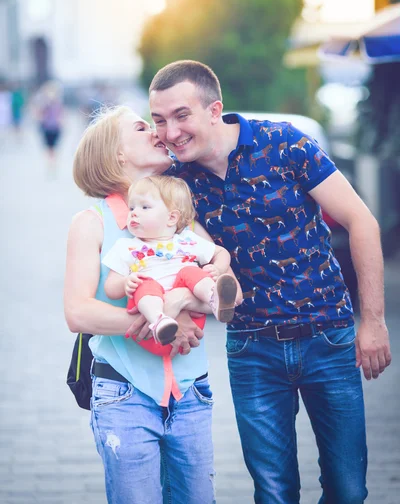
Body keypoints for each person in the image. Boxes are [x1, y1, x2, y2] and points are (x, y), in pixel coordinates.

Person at [148, 59, 392, 504]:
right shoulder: (175, 184)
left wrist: (373, 320)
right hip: (252, 348)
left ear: (213, 109)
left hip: (329, 338)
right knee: (275, 493)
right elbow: (153, 245)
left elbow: (361, 221)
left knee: (348, 490)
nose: (170, 131)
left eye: (181, 115)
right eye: (159, 120)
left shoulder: (283, 143)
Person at [64, 105, 241, 504]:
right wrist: (152, 320)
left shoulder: (180, 221)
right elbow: (78, 313)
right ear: (117, 154)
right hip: (123, 393)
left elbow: (229, 287)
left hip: (191, 393)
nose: (159, 132)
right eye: (143, 127)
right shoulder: (91, 222)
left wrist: (177, 300)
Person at [103, 175, 237, 345]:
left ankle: (214, 297)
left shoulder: (187, 240)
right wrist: (125, 282)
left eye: (145, 207)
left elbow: (221, 253)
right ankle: (160, 320)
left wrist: (218, 268)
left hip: (191, 324)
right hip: (151, 328)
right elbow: (110, 288)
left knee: (190, 272)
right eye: (131, 208)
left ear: (171, 218)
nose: (134, 213)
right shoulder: (126, 246)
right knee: (145, 283)